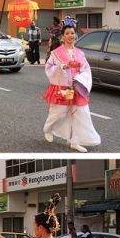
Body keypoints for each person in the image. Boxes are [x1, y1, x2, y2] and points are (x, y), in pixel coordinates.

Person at [43, 24, 101, 153]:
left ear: (76, 35)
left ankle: (75, 141)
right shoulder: (56, 53)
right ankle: (47, 129)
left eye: (72, 33)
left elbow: (86, 69)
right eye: (67, 33)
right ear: (62, 36)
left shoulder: (80, 53)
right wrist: (62, 67)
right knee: (58, 114)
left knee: (82, 114)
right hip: (63, 88)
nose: (70, 36)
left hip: (77, 88)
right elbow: (48, 68)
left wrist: (80, 78)